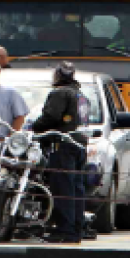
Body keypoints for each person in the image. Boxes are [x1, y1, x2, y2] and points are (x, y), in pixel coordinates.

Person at [31, 62, 87, 244]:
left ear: (58, 75)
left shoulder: (60, 93)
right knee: (76, 189)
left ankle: (64, 229)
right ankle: (76, 229)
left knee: (62, 188)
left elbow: (51, 117)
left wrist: (35, 128)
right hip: (79, 144)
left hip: (61, 144)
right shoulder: (81, 94)